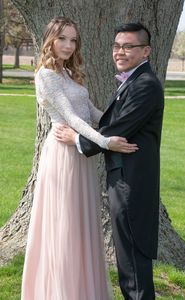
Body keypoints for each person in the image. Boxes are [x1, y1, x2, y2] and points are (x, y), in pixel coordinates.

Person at [21, 17, 138, 300]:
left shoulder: (69, 74)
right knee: (64, 225)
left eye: (73, 40)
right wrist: (105, 141)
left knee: (80, 222)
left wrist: (124, 122)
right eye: (62, 39)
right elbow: (71, 118)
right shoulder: (46, 75)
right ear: (50, 39)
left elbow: (93, 113)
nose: (69, 46)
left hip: (80, 154)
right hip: (63, 154)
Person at [54, 22, 164, 300]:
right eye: (117, 46)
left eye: (129, 47)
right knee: (129, 261)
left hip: (132, 183)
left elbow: (118, 128)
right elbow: (109, 121)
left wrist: (77, 141)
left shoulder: (145, 85)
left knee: (134, 266)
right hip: (125, 179)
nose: (120, 52)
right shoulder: (134, 81)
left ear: (146, 51)